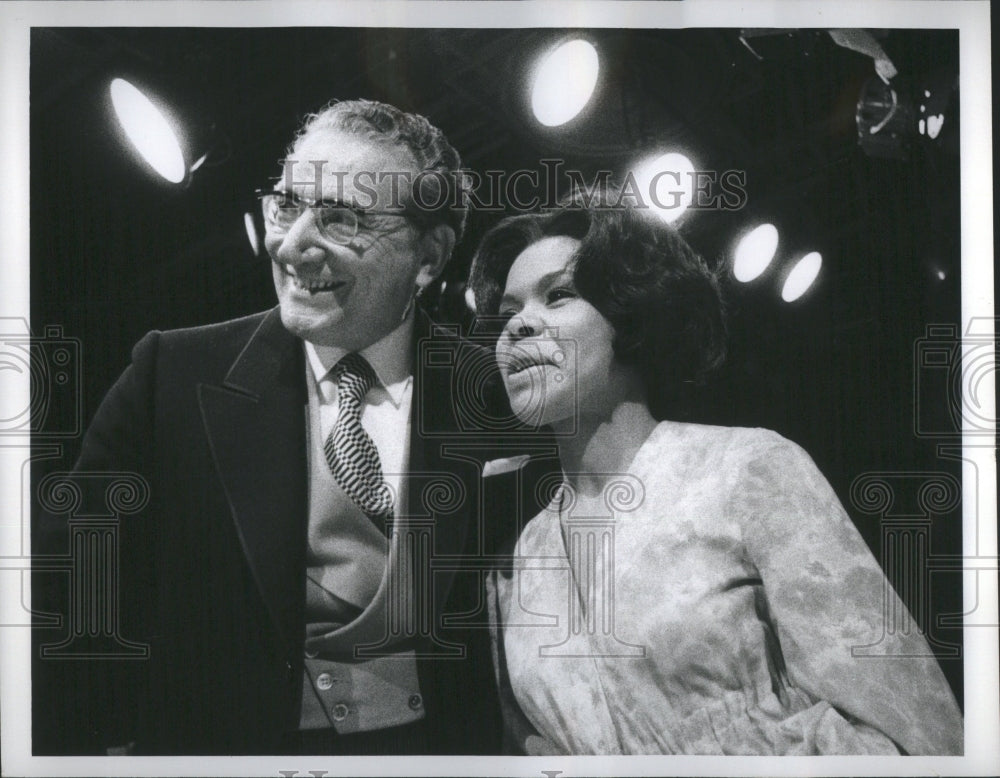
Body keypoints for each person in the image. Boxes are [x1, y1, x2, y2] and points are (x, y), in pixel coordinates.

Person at [34, 99, 518, 755]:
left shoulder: (495, 393)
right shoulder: (170, 373)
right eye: (286, 205)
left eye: (342, 218)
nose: (289, 244)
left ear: (427, 257)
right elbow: (68, 594)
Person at [468, 194, 964, 755]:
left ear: (631, 314)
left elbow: (913, 731)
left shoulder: (747, 470)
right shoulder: (514, 561)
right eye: (507, 315)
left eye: (558, 296)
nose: (518, 328)